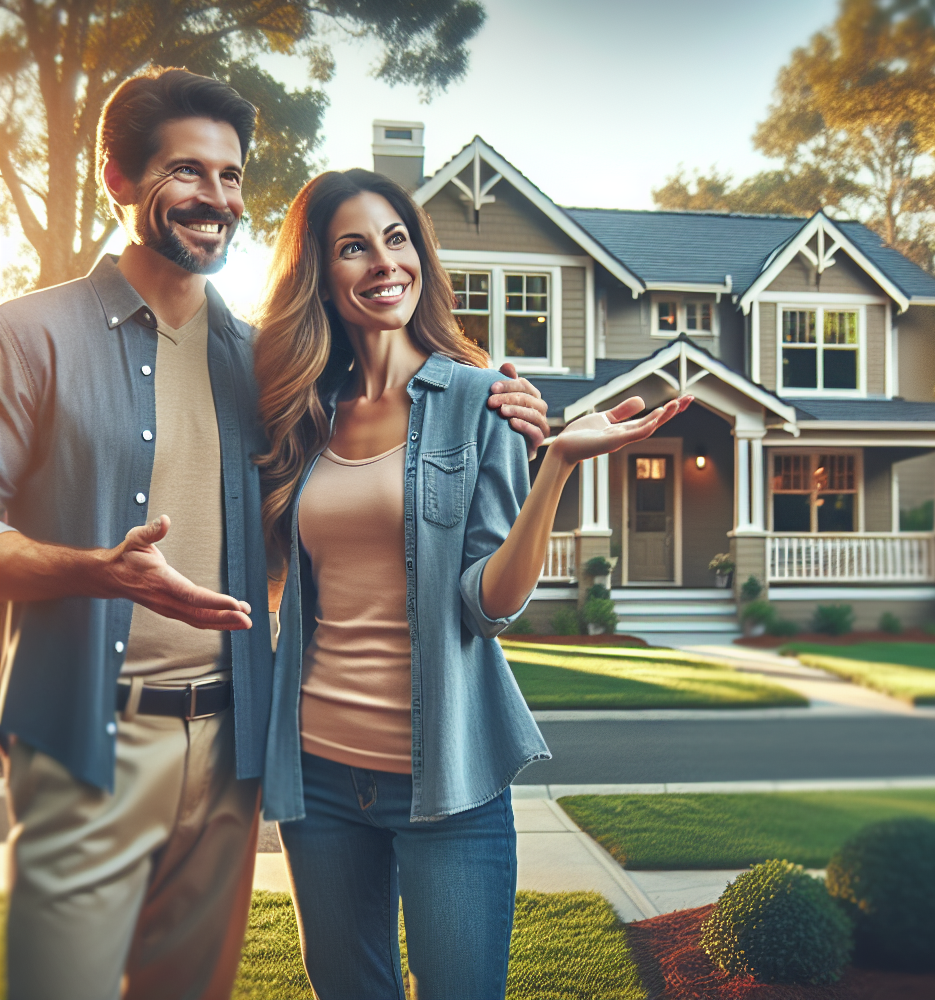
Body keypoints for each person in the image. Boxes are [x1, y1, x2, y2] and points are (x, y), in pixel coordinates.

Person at [0, 68, 550, 1000]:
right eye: (187, 171)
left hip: (237, 754)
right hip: (94, 736)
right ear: (120, 180)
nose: (215, 197)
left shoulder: (264, 370)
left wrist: (519, 417)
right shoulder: (30, 334)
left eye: (231, 175)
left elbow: (431, 511)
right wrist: (99, 571)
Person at [254, 168, 689, 999]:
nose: (384, 262)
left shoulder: (481, 398)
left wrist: (556, 463)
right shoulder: (299, 410)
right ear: (321, 270)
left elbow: (491, 603)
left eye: (397, 238)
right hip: (316, 774)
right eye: (354, 246)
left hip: (446, 776)